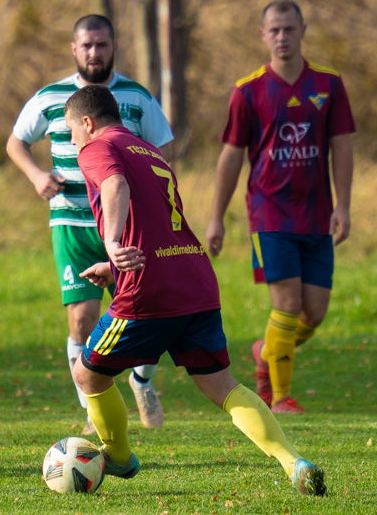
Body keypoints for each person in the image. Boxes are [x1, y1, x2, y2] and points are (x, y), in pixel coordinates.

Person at [65, 84, 326, 496]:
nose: (71, 141)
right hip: (194, 277)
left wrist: (113, 245)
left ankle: (118, 458)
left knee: (87, 375)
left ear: (87, 122)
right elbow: (152, 219)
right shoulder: (147, 150)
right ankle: (293, 462)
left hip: (149, 290)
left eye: (70, 131)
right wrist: (113, 263)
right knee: (223, 386)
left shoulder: (97, 147)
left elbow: (114, 186)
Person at [7, 14, 172, 433]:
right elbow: (16, 141)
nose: (94, 52)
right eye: (86, 45)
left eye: (101, 44)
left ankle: (141, 379)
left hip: (129, 223)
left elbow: (164, 148)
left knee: (149, 314)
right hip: (73, 221)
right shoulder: (50, 97)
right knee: (82, 321)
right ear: (74, 48)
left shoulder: (135, 97)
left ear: (114, 46)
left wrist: (151, 195)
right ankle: (93, 412)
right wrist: (37, 176)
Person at [205, 0, 355, 415]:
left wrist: (344, 205)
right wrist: (216, 217)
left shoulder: (329, 85)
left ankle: (265, 351)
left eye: (289, 29)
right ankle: (281, 396)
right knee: (287, 305)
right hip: (269, 214)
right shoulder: (248, 91)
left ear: (303, 29)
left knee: (314, 313)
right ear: (263, 35)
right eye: (274, 30)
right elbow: (231, 155)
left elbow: (342, 147)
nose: (282, 37)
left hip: (317, 214)